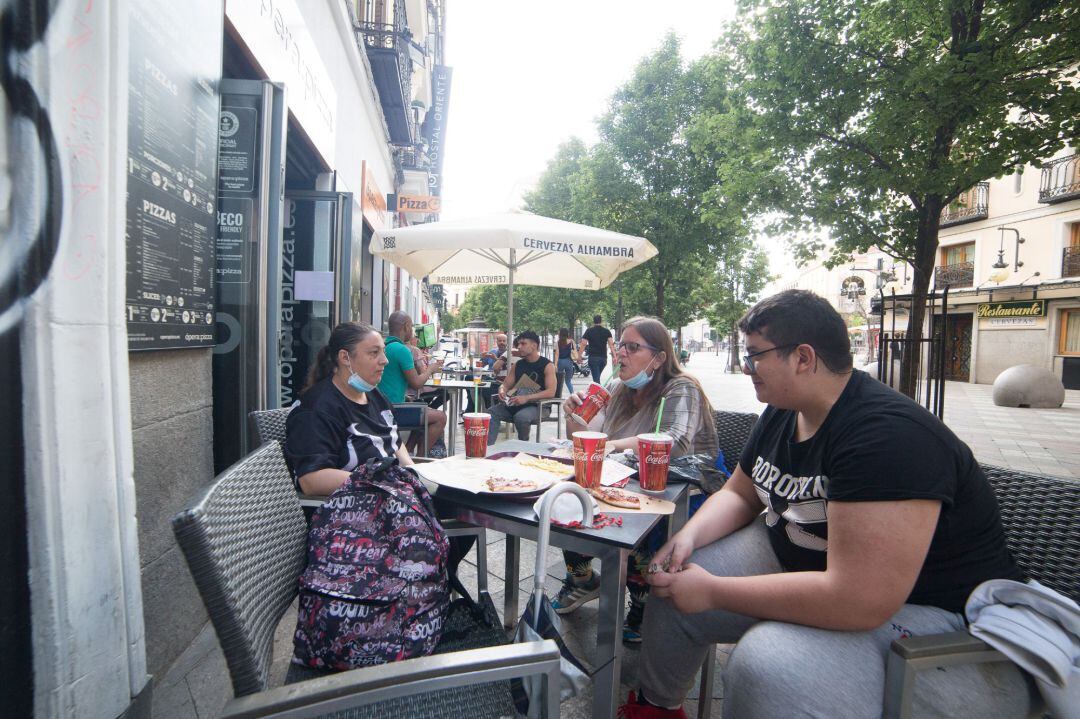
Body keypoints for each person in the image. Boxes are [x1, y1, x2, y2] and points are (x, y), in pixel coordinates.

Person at [618, 290, 1030, 719]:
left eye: (755, 355)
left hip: (931, 619)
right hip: (808, 561)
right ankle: (655, 709)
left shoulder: (886, 437)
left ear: (803, 358)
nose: (745, 366)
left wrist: (714, 591)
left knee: (767, 664)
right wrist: (686, 538)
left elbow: (859, 598)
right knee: (673, 578)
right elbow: (741, 493)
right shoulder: (783, 410)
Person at [555, 316, 718, 644]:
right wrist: (574, 415)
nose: (620, 355)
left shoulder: (681, 387)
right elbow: (586, 440)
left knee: (636, 532)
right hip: (628, 481)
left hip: (683, 487)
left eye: (633, 347)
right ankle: (583, 578)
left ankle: (643, 604)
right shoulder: (616, 389)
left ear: (658, 358)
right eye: (620, 346)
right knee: (566, 499)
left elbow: (676, 441)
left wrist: (611, 445)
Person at [283, 321, 412, 496]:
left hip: (392, 495)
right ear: (345, 358)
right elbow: (311, 480)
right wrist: (383, 484)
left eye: (383, 351)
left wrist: (412, 472)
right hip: (349, 510)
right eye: (374, 353)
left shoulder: (373, 395)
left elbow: (393, 441)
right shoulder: (316, 410)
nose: (385, 360)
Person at [378, 311, 446, 456]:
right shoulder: (402, 350)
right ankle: (421, 460)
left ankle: (408, 450)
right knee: (440, 417)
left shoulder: (384, 346)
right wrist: (431, 370)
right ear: (406, 327)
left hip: (380, 405)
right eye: (412, 327)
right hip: (393, 410)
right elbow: (417, 383)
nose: (412, 331)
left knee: (421, 409)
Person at [486, 330, 557, 443]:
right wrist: (502, 390)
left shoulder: (547, 365)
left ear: (534, 346)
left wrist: (527, 398)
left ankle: (523, 447)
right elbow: (506, 384)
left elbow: (551, 392)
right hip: (516, 404)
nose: (519, 346)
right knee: (491, 412)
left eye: (523, 344)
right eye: (518, 344)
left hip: (539, 407)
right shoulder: (518, 365)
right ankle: (488, 449)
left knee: (521, 417)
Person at [465, 333, 508, 414]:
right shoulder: (492, 351)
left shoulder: (508, 354)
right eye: (500, 341)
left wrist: (495, 359)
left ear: (507, 342)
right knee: (468, 378)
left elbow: (501, 368)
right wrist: (483, 358)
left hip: (498, 379)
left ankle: (477, 410)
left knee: (482, 387)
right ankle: (471, 403)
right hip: (488, 376)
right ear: (497, 342)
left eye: (504, 341)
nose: (502, 342)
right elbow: (481, 365)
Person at [579, 314, 616, 383]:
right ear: (601, 321)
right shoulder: (606, 331)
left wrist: (579, 356)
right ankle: (597, 391)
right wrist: (615, 356)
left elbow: (583, 344)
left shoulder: (589, 331)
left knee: (596, 381)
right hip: (603, 359)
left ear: (593, 321)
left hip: (593, 358)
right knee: (597, 378)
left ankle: (598, 392)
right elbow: (611, 344)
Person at [553, 327, 576, 398]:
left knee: (558, 380)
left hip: (560, 362)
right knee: (568, 381)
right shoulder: (572, 341)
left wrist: (555, 365)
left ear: (560, 334)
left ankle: (558, 396)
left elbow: (557, 355)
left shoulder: (558, 343)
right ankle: (573, 395)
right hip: (569, 362)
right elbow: (574, 351)